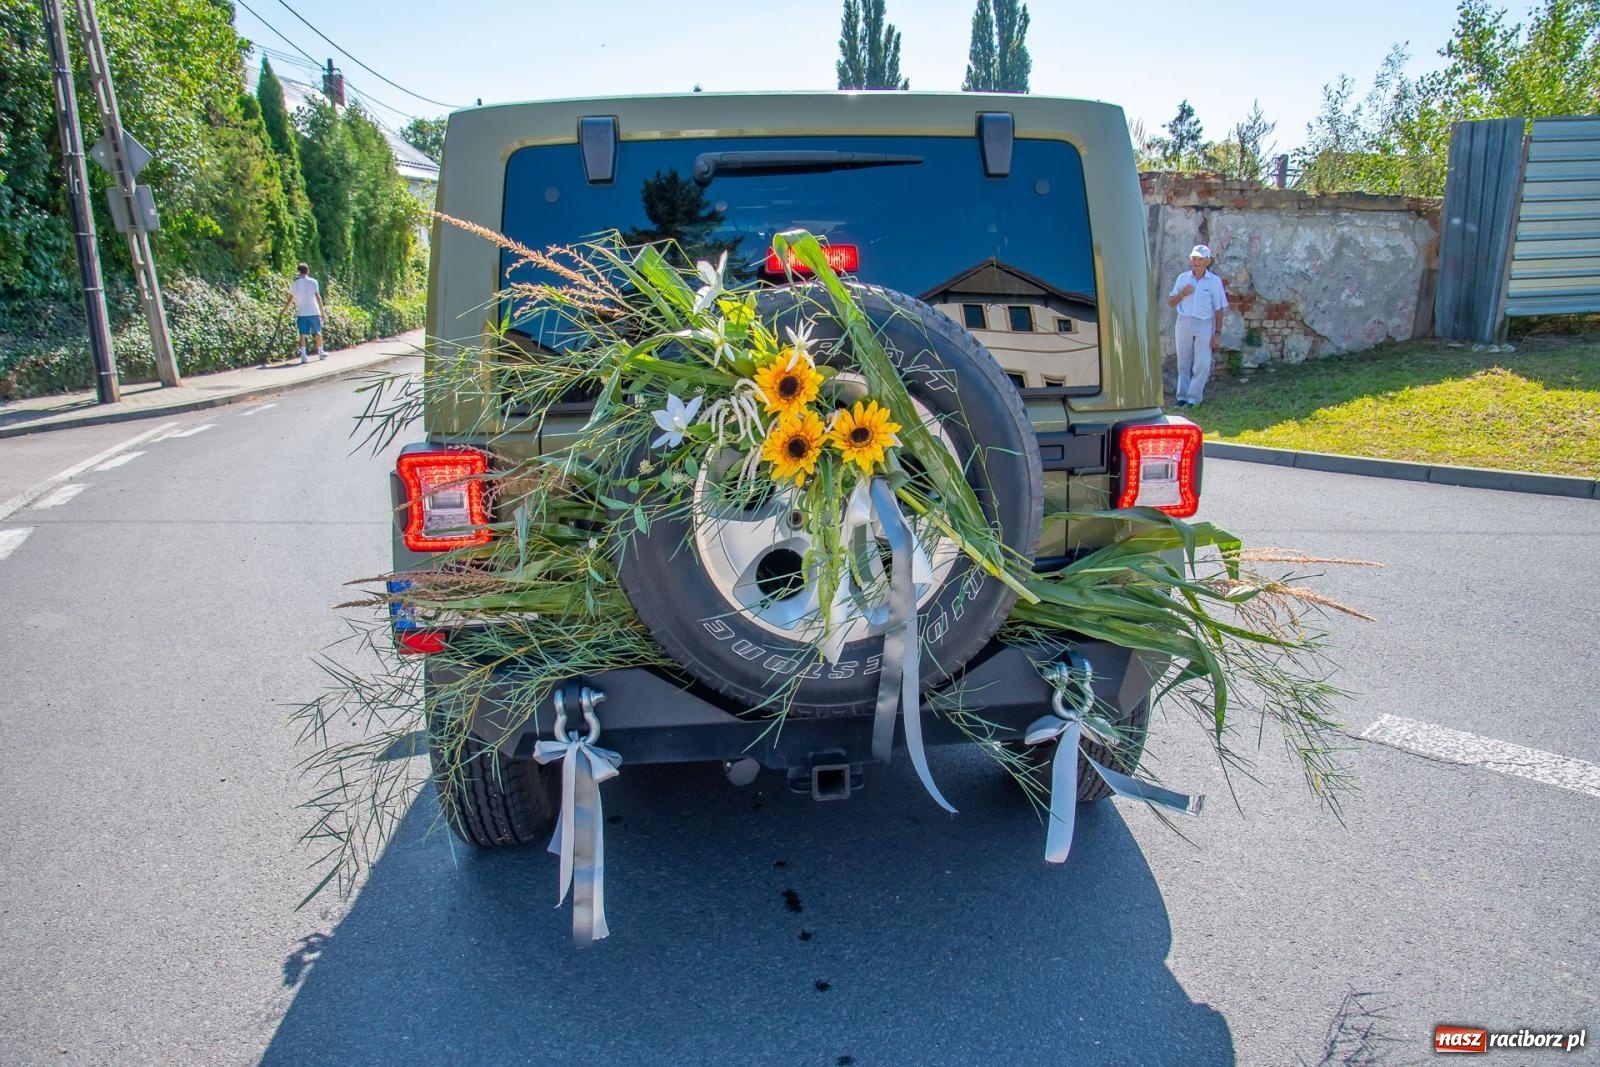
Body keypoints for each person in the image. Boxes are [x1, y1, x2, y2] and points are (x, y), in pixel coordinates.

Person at [1166, 244, 1227, 408]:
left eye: (1200, 259)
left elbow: (1219, 309)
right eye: (1194, 259)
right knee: (1183, 362)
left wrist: (1217, 333)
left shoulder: (1214, 282)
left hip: (1204, 323)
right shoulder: (1183, 278)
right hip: (1184, 321)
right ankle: (1182, 397)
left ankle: (1194, 398)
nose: (1196, 262)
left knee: (1202, 362)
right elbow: (1171, 302)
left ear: (1207, 261)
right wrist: (1182, 294)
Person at [283, 262, 326, 364]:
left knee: (302, 334)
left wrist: (284, 310)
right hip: (314, 311)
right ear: (308, 271)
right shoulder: (313, 282)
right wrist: (323, 312)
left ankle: (303, 355)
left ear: (299, 272)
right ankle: (320, 352)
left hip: (301, 312)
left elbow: (291, 299)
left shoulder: (295, 284)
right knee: (317, 333)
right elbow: (318, 297)